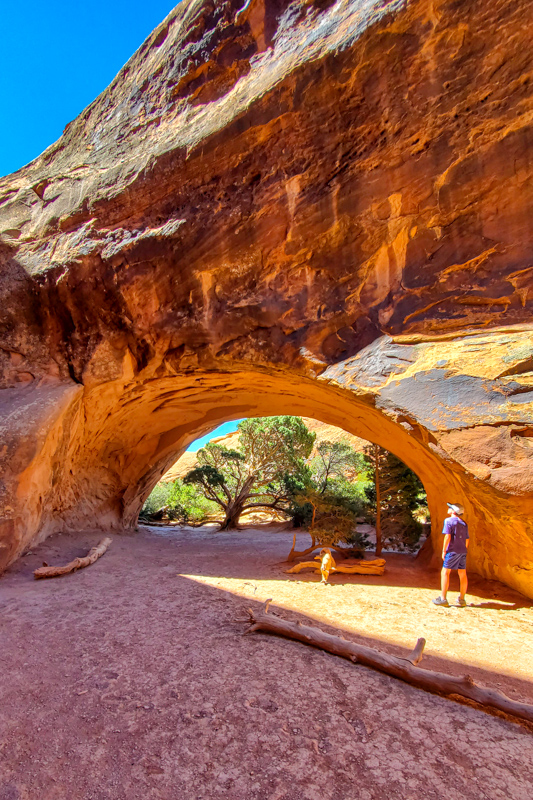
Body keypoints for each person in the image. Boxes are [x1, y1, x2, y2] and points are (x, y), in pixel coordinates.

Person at [432, 502, 469, 607]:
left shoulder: (448, 521)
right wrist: (463, 549)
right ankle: (462, 599)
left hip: (452, 551)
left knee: (445, 572)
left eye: (450, 507)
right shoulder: (464, 523)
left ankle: (443, 599)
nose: (448, 508)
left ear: (453, 511)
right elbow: (467, 539)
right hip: (462, 551)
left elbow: (447, 537)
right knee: (462, 574)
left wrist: (444, 551)